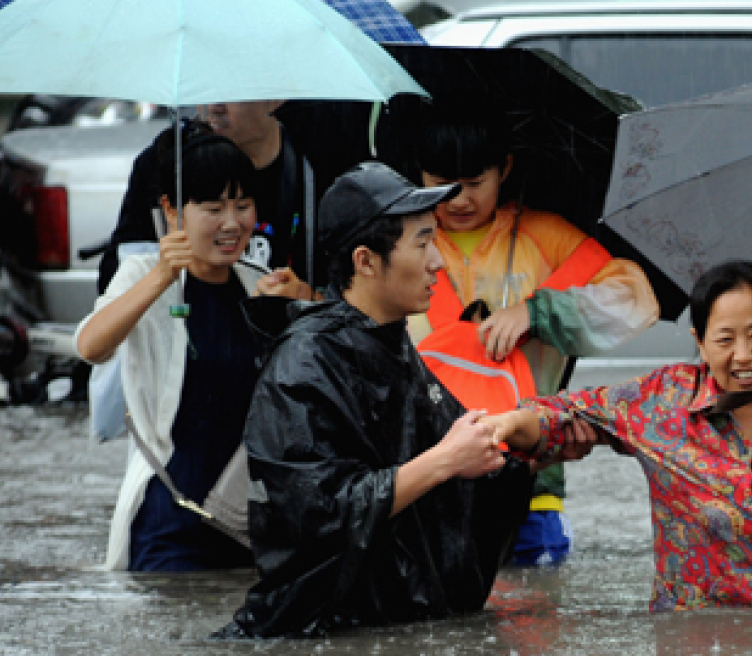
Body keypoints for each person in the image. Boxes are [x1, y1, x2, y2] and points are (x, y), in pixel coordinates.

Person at [219, 162, 555, 638]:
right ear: (366, 261)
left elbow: (462, 481)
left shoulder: (392, 344)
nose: (437, 261)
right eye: (421, 243)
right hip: (317, 631)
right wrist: (443, 461)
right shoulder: (303, 365)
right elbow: (317, 516)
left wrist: (533, 448)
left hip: (390, 624)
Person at [488, 260, 752, 608]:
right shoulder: (663, 400)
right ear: (699, 341)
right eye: (724, 340)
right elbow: (558, 414)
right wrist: (508, 426)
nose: (743, 356)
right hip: (703, 631)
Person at [407, 103, 660, 566]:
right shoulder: (402, 242)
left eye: (474, 182)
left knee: (535, 622)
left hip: (530, 473)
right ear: (418, 173)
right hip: (424, 475)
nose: (459, 199)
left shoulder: (548, 237)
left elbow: (634, 299)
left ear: (505, 168)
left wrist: (538, 312)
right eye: (443, 182)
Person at [74, 120, 268, 571]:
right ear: (172, 209)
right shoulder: (145, 274)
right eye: (213, 207)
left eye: (243, 205)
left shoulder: (258, 285)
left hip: (246, 518)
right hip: (169, 522)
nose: (232, 223)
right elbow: (90, 346)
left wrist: (301, 303)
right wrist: (162, 275)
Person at [97, 101, 370, 300]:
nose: (214, 105)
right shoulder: (167, 160)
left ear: (276, 97)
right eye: (205, 88)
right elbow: (115, 283)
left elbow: (361, 291)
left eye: (232, 91)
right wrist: (164, 270)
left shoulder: (320, 160)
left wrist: (306, 300)